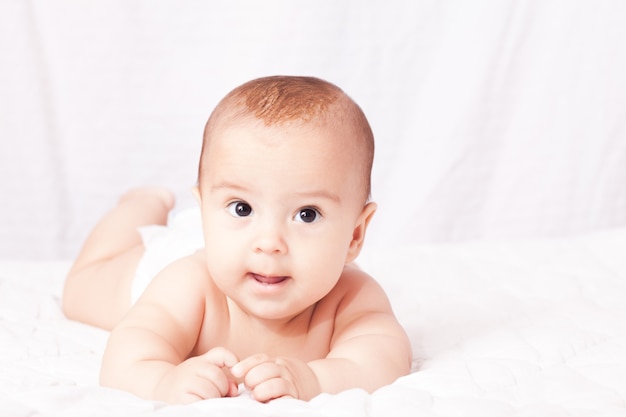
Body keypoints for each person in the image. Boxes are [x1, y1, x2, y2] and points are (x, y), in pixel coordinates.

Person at [62, 75, 412, 404]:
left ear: (354, 235)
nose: (269, 242)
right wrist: (162, 381)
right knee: (81, 292)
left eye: (307, 214)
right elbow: (128, 354)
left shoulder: (351, 297)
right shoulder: (187, 283)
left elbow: (383, 357)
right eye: (242, 207)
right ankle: (144, 203)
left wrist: (314, 380)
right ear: (204, 213)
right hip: (164, 260)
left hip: (227, 247)